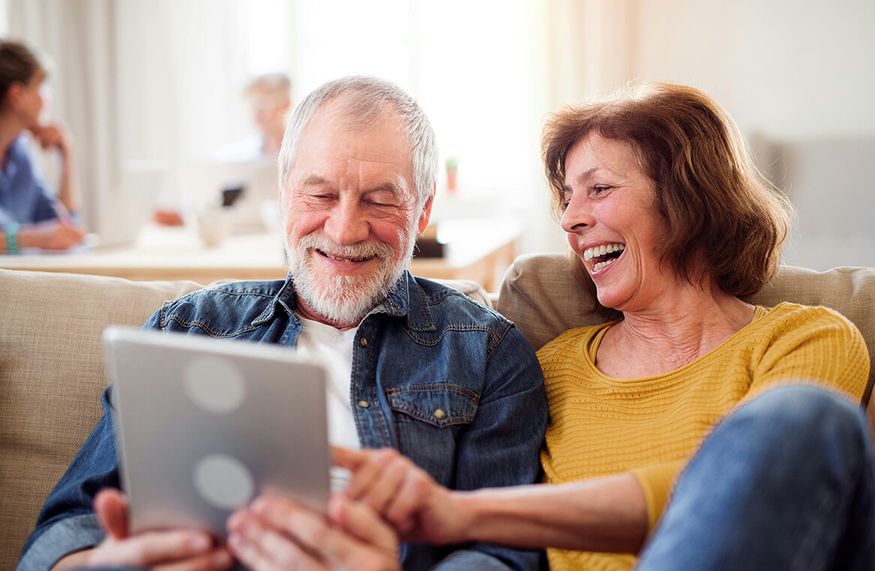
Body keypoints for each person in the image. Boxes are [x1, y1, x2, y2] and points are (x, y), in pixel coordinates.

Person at [326, 82, 875, 570]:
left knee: (803, 415)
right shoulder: (545, 367)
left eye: (599, 189)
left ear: (689, 200)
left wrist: (458, 513)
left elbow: (741, 495)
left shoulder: (807, 339)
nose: (571, 219)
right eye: (568, 198)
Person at [18, 76, 547, 570]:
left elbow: (504, 553)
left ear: (424, 209)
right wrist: (93, 563)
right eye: (319, 195)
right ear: (282, 193)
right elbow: (64, 527)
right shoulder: (191, 329)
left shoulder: (487, 351)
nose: (343, 229)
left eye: (380, 200)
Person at [0, 39, 85, 253]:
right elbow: (43, 236)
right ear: (17, 95)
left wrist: (67, 156)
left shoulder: (20, 155)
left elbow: (64, 225)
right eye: (42, 86)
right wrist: (30, 239)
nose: (48, 98)